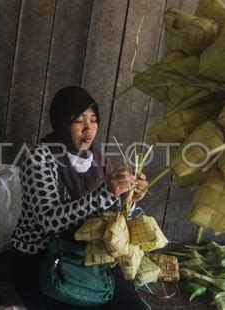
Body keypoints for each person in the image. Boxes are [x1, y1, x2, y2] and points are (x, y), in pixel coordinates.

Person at [11, 86, 148, 309]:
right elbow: (49, 221)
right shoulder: (40, 157)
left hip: (87, 252)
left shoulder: (98, 159)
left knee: (130, 303)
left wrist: (128, 198)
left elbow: (107, 213)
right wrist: (105, 191)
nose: (88, 128)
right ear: (62, 121)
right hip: (43, 258)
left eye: (93, 120)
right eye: (79, 121)